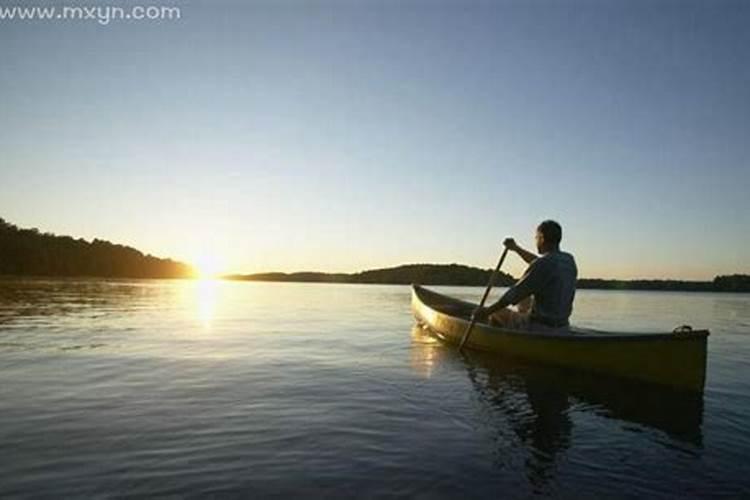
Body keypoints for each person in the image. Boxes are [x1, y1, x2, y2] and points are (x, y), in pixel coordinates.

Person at [477, 220, 577, 331]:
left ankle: (498, 341)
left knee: (497, 312)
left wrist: (486, 311)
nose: (536, 241)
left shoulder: (542, 264)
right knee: (524, 301)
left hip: (538, 327)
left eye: (536, 237)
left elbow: (513, 295)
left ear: (542, 238)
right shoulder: (568, 260)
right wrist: (516, 248)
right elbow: (538, 262)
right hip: (563, 326)